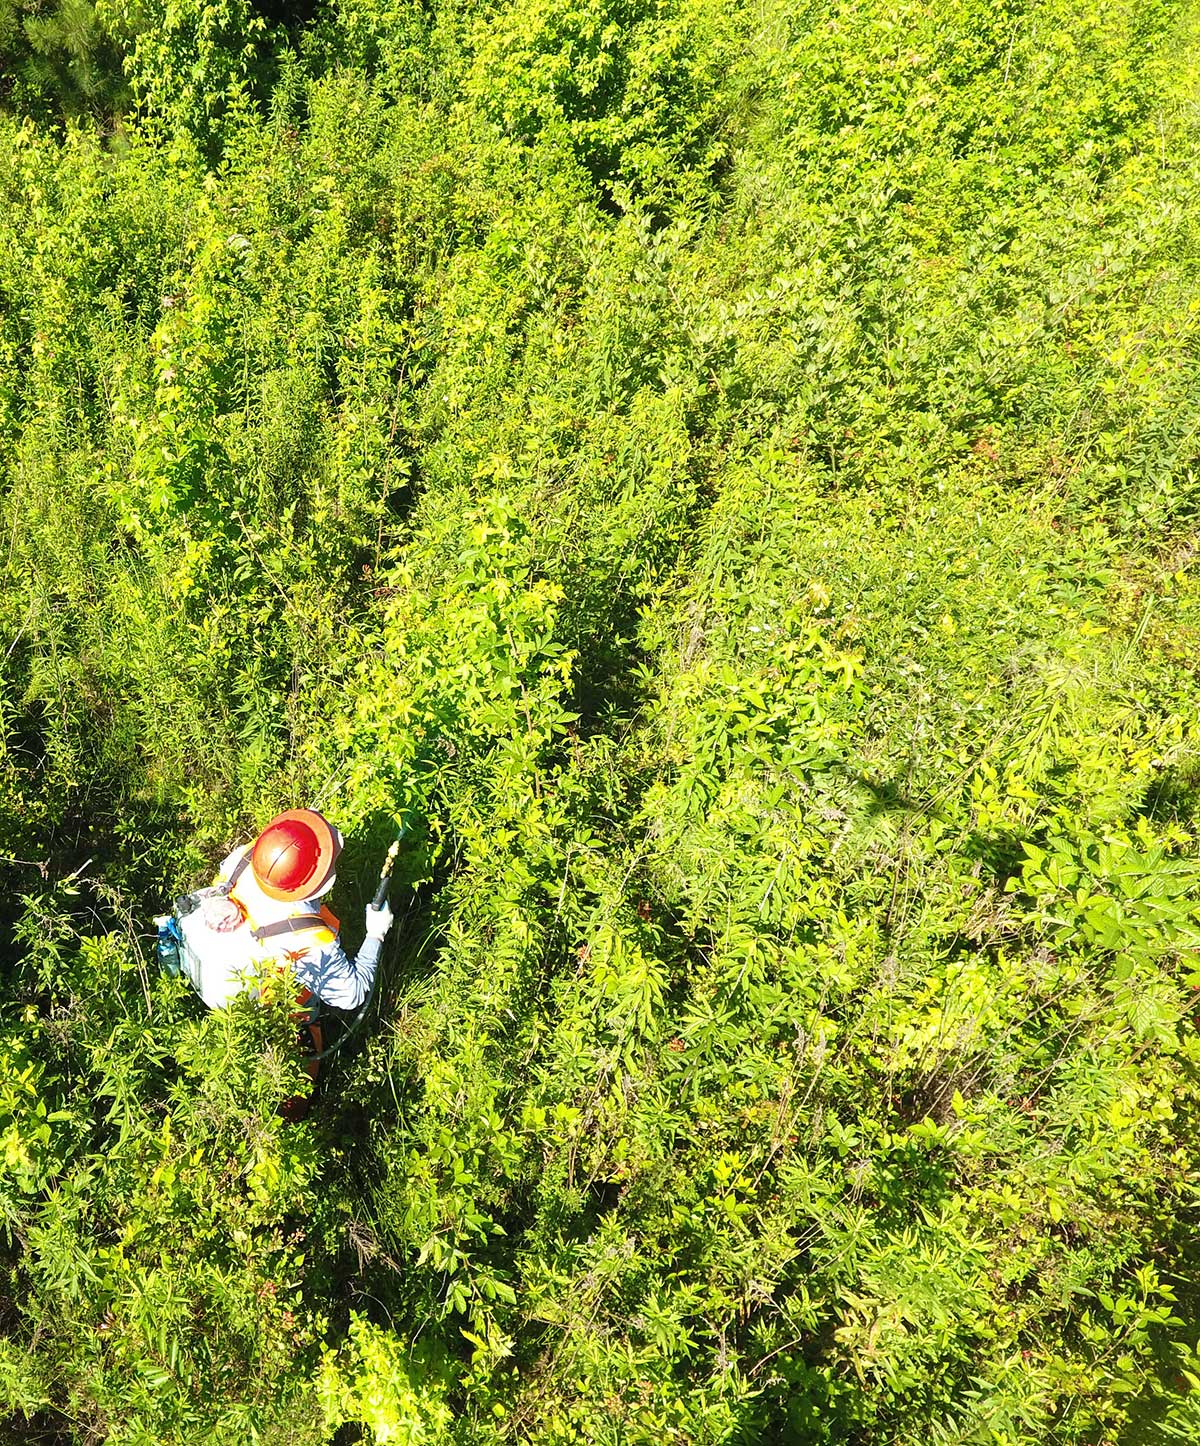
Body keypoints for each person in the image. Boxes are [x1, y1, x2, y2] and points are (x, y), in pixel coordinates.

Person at [166, 808, 394, 1015]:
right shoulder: (304, 938)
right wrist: (376, 933)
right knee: (304, 1016)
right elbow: (351, 995)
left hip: (209, 954)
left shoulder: (251, 853)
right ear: (310, 885)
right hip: (257, 1005)